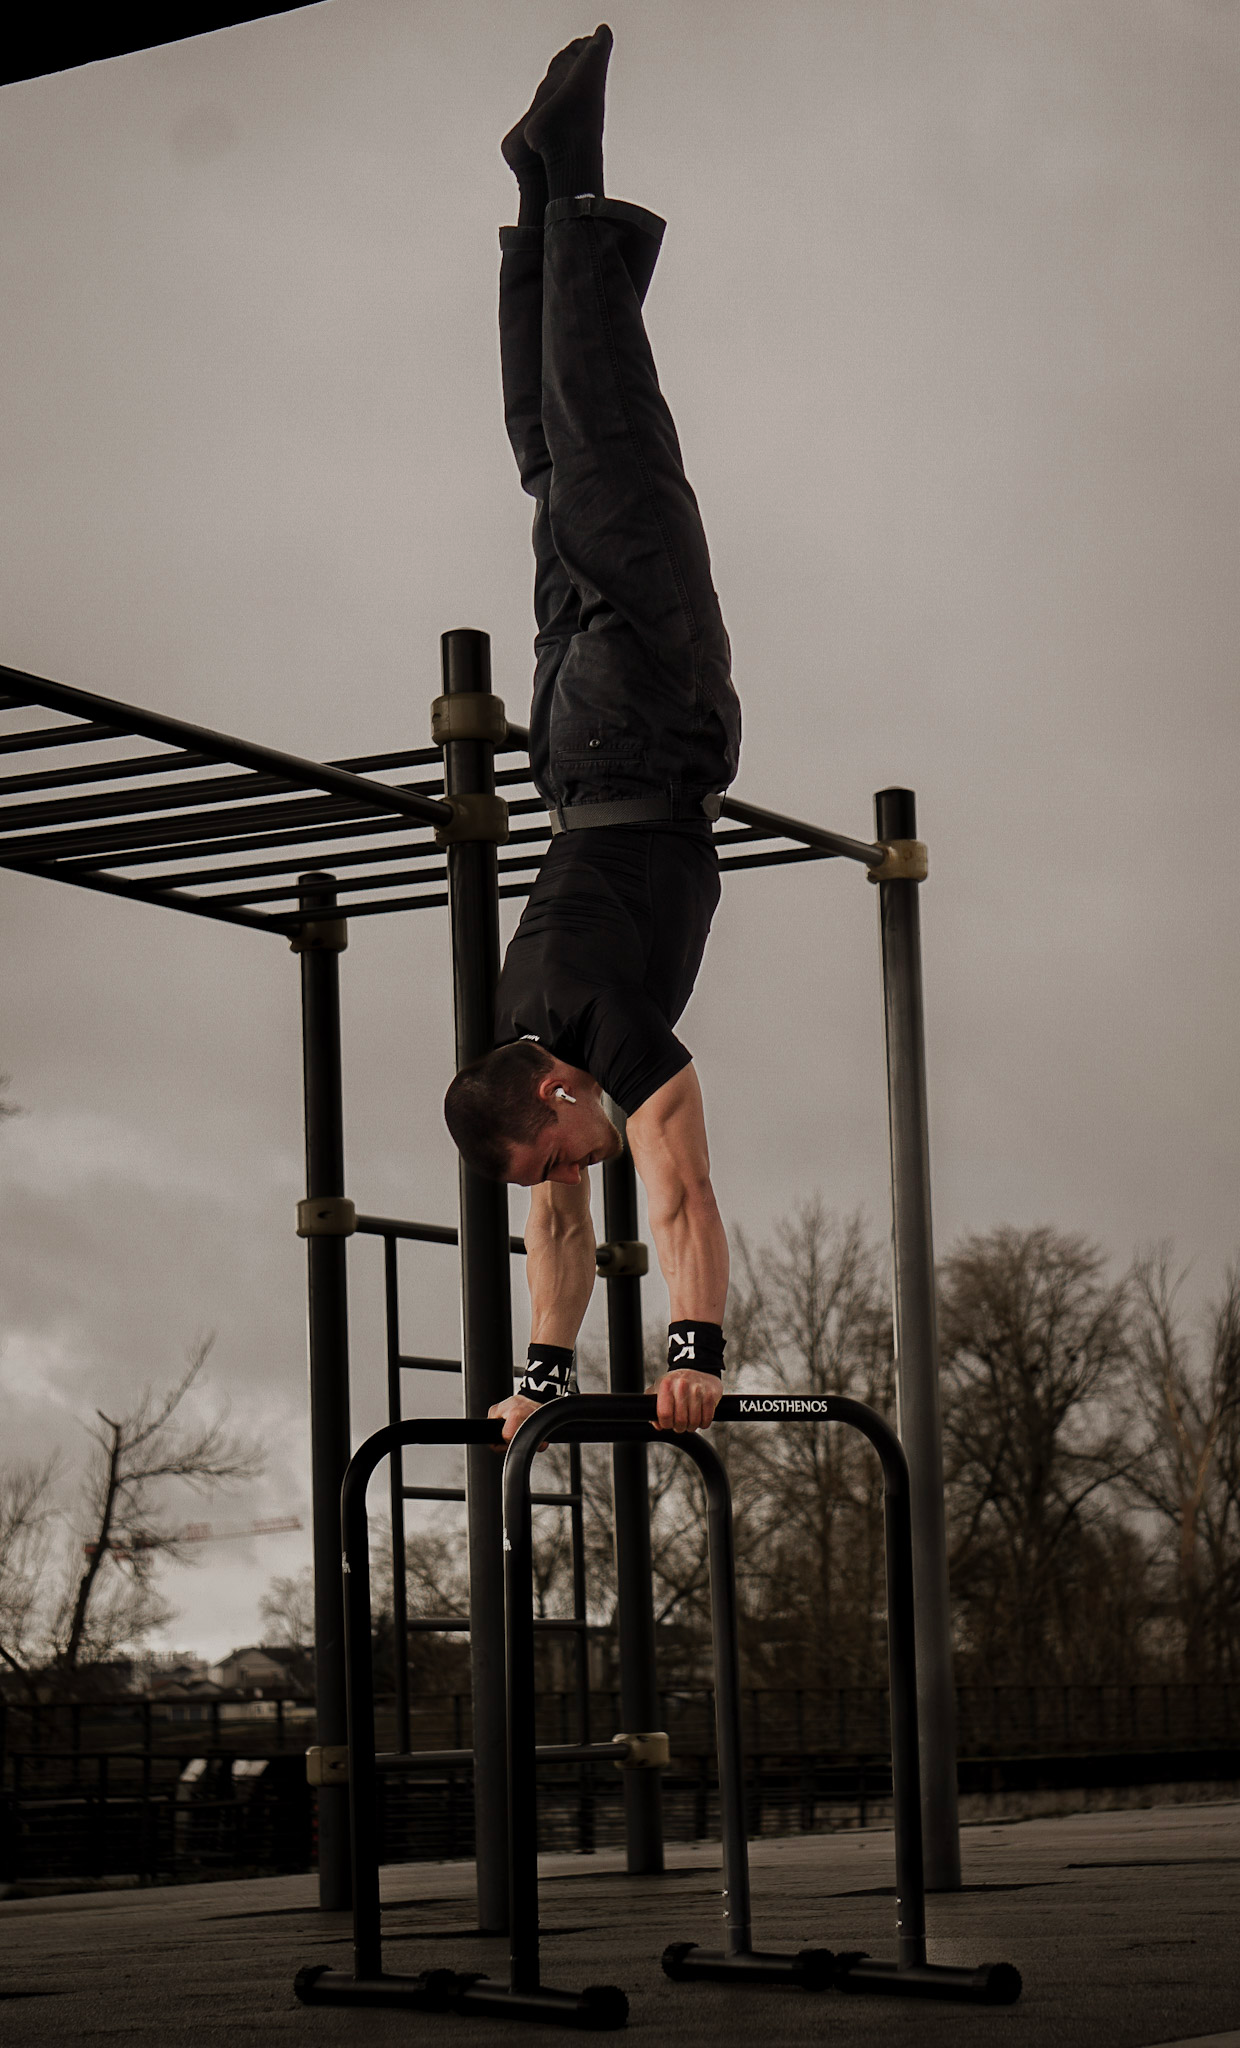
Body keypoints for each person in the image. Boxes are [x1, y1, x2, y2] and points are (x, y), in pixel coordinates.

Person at [443, 26, 741, 1444]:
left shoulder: (596, 1036)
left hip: (643, 725)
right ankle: (536, 208)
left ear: (555, 1090)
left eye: (547, 1153)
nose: (561, 1173)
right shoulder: (523, 1031)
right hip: (574, 754)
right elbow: (560, 1232)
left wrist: (696, 1345)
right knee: (558, 469)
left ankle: (571, 174)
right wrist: (539, 1382)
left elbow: (677, 1180)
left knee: (615, 448)